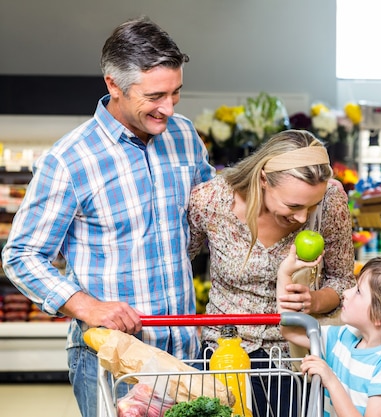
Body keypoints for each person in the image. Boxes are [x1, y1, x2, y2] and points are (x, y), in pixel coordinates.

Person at [1, 16, 213, 417]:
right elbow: (21, 255)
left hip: (184, 349)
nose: (168, 108)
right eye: (155, 96)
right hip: (113, 356)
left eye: (176, 92)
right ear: (113, 85)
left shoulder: (184, 136)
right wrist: (87, 305)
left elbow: (207, 214)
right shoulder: (69, 160)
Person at [187, 129, 355, 416]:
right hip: (225, 351)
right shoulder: (212, 200)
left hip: (294, 357)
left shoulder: (332, 198)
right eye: (294, 205)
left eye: (311, 206)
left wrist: (313, 301)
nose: (304, 218)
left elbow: (343, 280)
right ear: (263, 179)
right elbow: (178, 263)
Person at [277, 253, 381, 417]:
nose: (346, 292)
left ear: (380, 316)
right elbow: (291, 330)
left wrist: (331, 381)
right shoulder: (344, 336)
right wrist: (284, 274)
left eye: (358, 291)